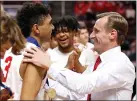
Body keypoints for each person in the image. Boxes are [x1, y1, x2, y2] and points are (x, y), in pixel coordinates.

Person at [23, 12, 135, 100]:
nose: (91, 36)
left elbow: (83, 85)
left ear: (112, 34)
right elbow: (76, 94)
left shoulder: (121, 64)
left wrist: (48, 65)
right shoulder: (99, 62)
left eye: (96, 31)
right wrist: (44, 82)